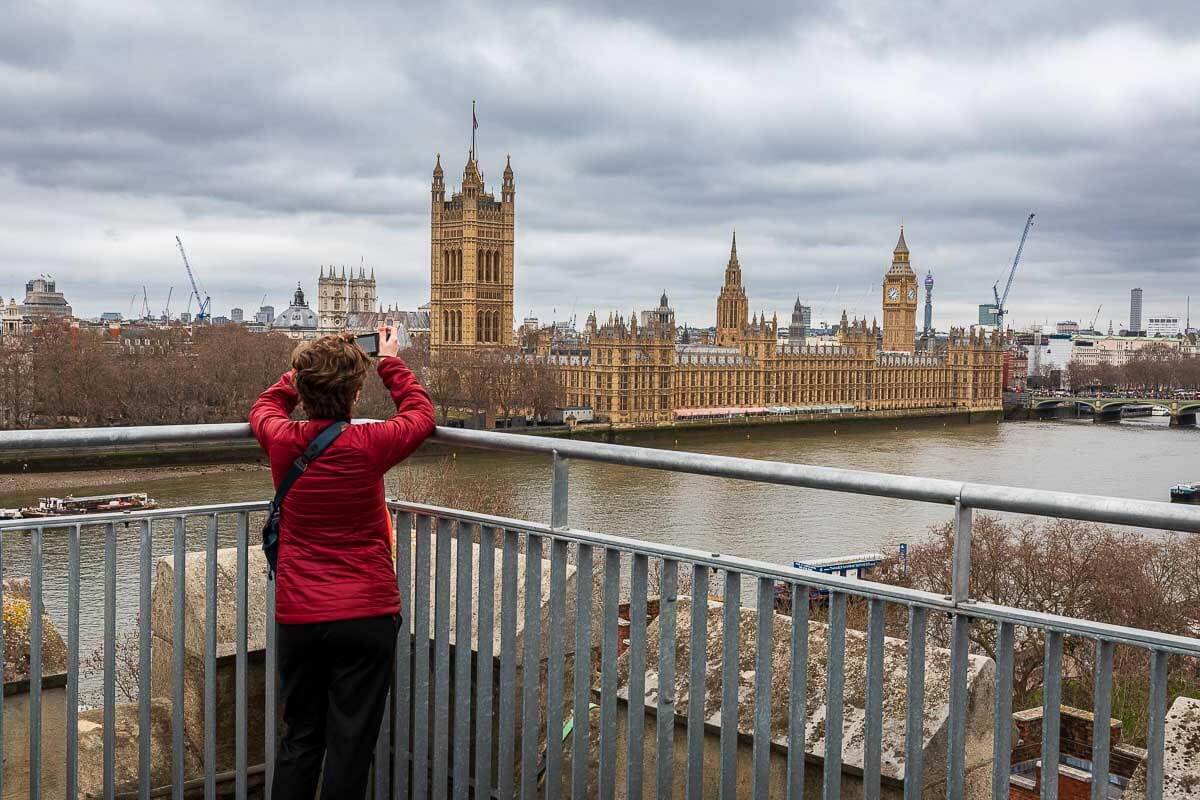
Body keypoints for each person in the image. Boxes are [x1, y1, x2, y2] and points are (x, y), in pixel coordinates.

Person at [249, 326, 435, 798]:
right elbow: (420, 414)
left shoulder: (283, 441)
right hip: (366, 615)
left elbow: (263, 407)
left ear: (305, 389)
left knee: (301, 740)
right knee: (351, 748)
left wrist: (303, 369)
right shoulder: (368, 445)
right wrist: (389, 361)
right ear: (355, 393)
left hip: (301, 616)